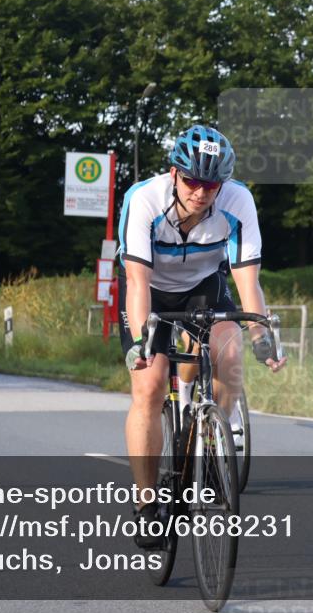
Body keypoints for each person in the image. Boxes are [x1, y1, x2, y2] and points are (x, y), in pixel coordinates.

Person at [117, 124, 286, 549]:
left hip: (204, 288)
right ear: (174, 174)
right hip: (150, 292)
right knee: (151, 387)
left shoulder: (238, 200)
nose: (201, 192)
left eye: (211, 184)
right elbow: (137, 282)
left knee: (229, 357)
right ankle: (145, 504)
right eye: (192, 181)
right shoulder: (144, 199)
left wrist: (261, 336)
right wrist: (141, 343)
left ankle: (209, 448)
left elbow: (248, 282)